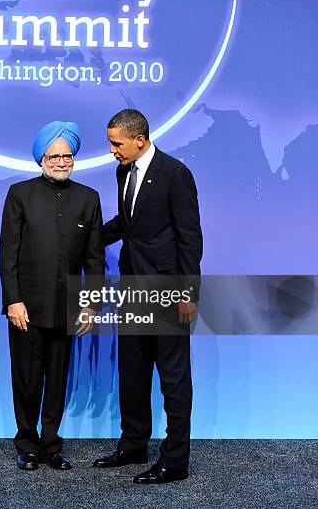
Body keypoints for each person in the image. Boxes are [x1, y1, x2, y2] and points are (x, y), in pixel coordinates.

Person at [92, 109, 203, 484]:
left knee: (172, 376)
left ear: (139, 140)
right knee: (133, 369)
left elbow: (190, 237)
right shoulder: (124, 170)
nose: (111, 151)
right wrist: (87, 238)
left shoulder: (175, 174)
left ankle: (175, 460)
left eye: (116, 143)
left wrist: (189, 293)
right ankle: (133, 444)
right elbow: (128, 223)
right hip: (133, 286)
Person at [0, 121, 104, 471]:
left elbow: (94, 258)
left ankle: (51, 446)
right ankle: (26, 445)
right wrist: (13, 300)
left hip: (66, 308)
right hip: (26, 308)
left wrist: (90, 304)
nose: (62, 161)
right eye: (54, 155)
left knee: (58, 381)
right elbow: (8, 254)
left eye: (67, 155)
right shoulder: (20, 194)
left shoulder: (88, 198)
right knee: (27, 380)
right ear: (41, 159)